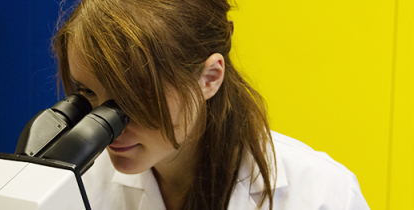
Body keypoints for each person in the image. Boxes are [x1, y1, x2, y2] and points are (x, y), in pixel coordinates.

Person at [52, 0, 370, 209]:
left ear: (209, 78)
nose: (107, 125)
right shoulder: (80, 187)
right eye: (88, 93)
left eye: (132, 97)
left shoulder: (321, 193)